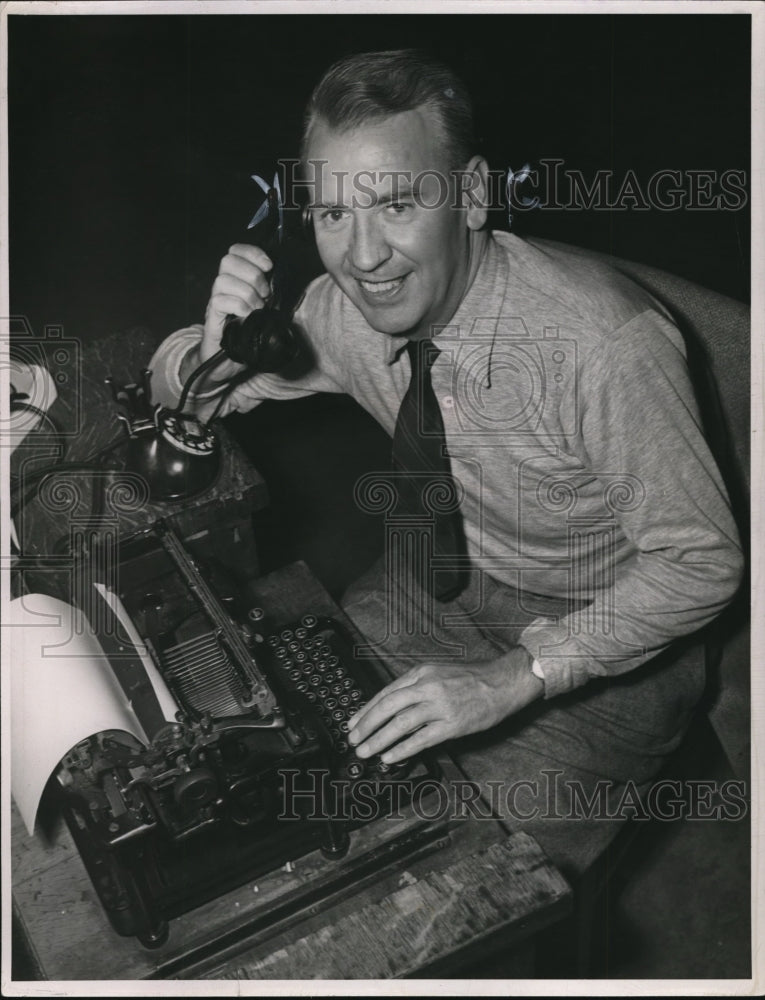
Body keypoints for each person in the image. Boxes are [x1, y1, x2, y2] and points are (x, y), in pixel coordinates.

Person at [149, 49, 743, 879]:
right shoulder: (343, 309)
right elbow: (189, 393)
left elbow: (701, 563)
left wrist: (514, 678)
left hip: (606, 641)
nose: (362, 258)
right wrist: (203, 363)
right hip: (437, 585)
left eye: (395, 203)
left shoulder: (604, 348)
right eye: (330, 214)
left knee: (464, 879)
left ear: (470, 194)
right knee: (285, 746)